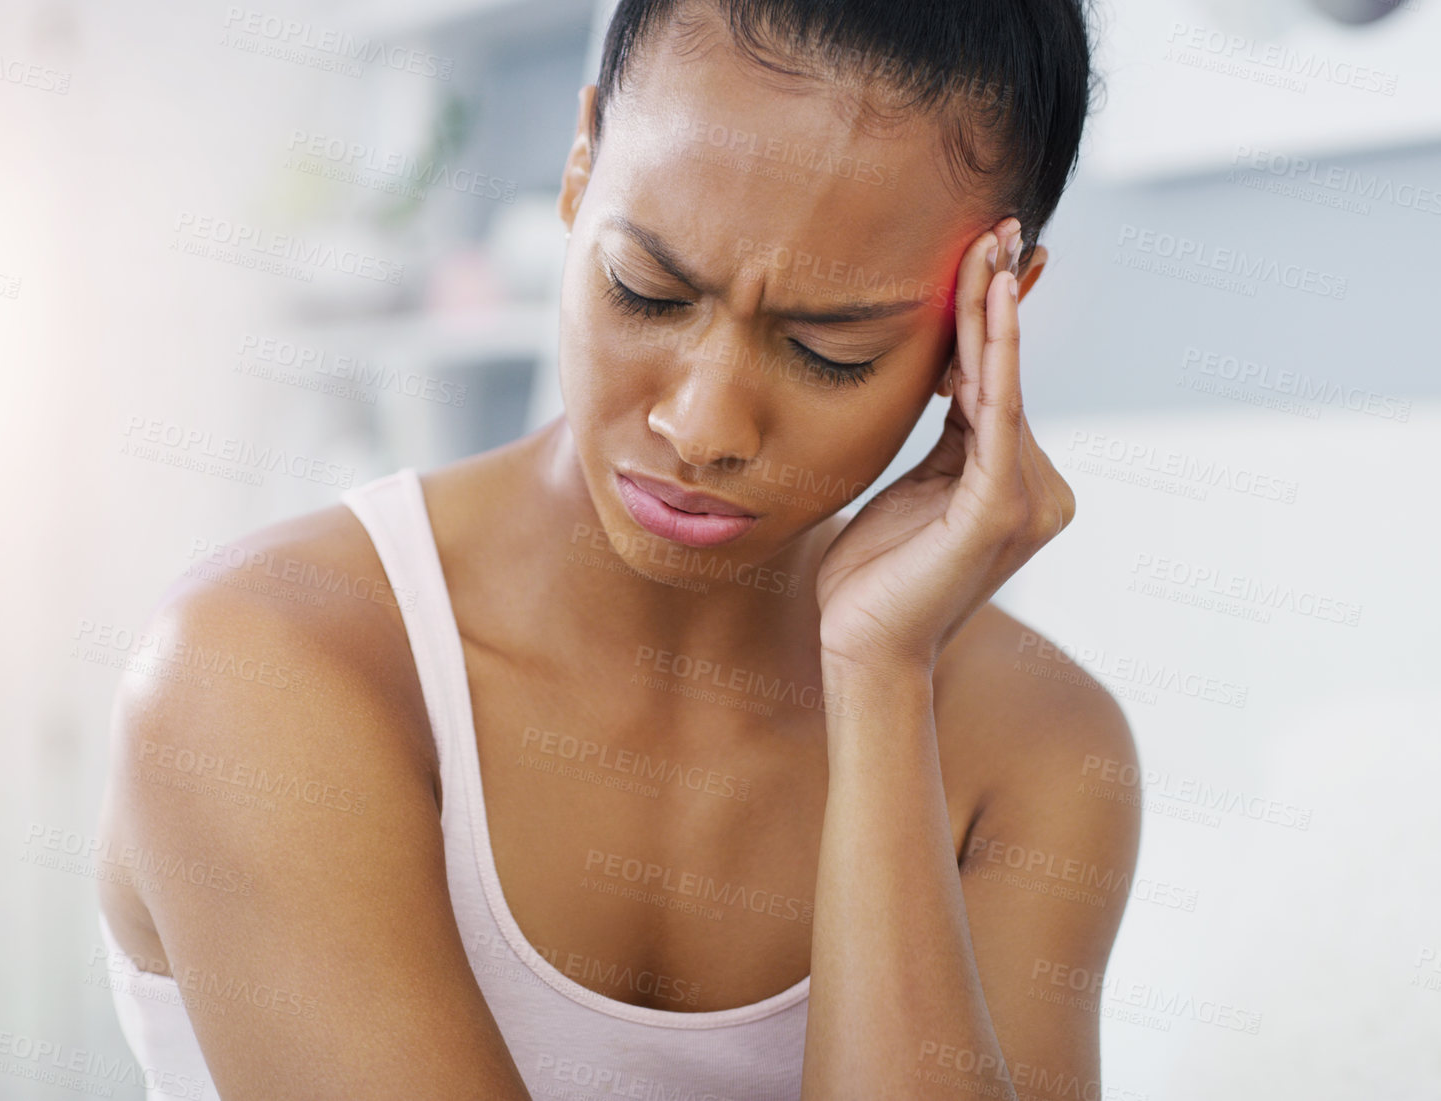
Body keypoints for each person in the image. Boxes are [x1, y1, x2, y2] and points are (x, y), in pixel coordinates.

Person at [95, 1, 1140, 1097]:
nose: (703, 428)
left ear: (987, 318)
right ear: (580, 169)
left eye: (831, 350)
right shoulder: (260, 666)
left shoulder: (1037, 749)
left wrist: (881, 683)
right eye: (648, 290)